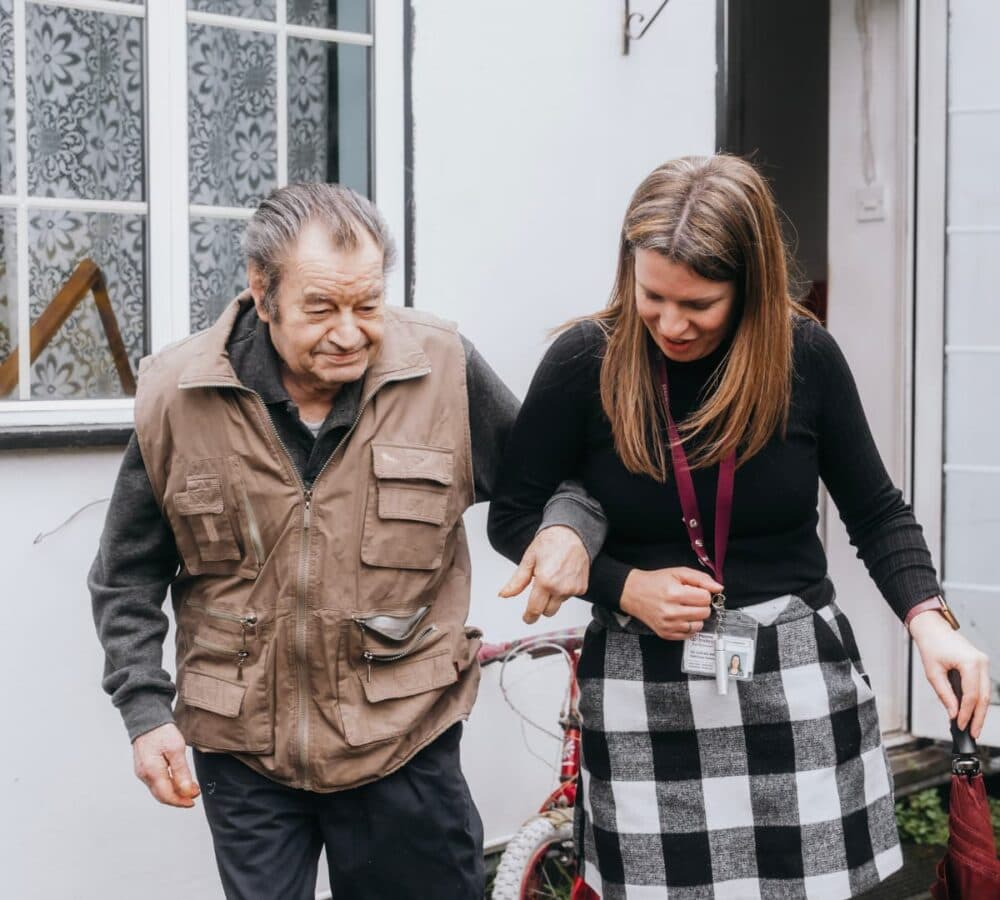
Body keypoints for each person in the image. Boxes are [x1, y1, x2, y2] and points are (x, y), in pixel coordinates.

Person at [488, 155, 991, 899]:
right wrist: (625, 587)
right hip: (640, 683)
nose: (669, 323)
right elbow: (514, 516)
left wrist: (931, 619)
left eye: (699, 303)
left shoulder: (804, 357)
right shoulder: (583, 362)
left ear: (750, 285)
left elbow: (877, 510)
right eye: (651, 295)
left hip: (795, 679)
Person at [89, 183, 605, 900]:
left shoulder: (443, 368)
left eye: (367, 305)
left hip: (405, 744)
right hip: (246, 757)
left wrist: (566, 528)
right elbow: (126, 575)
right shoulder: (177, 394)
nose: (350, 331)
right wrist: (145, 714)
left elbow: (557, 480)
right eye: (321, 308)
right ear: (261, 291)